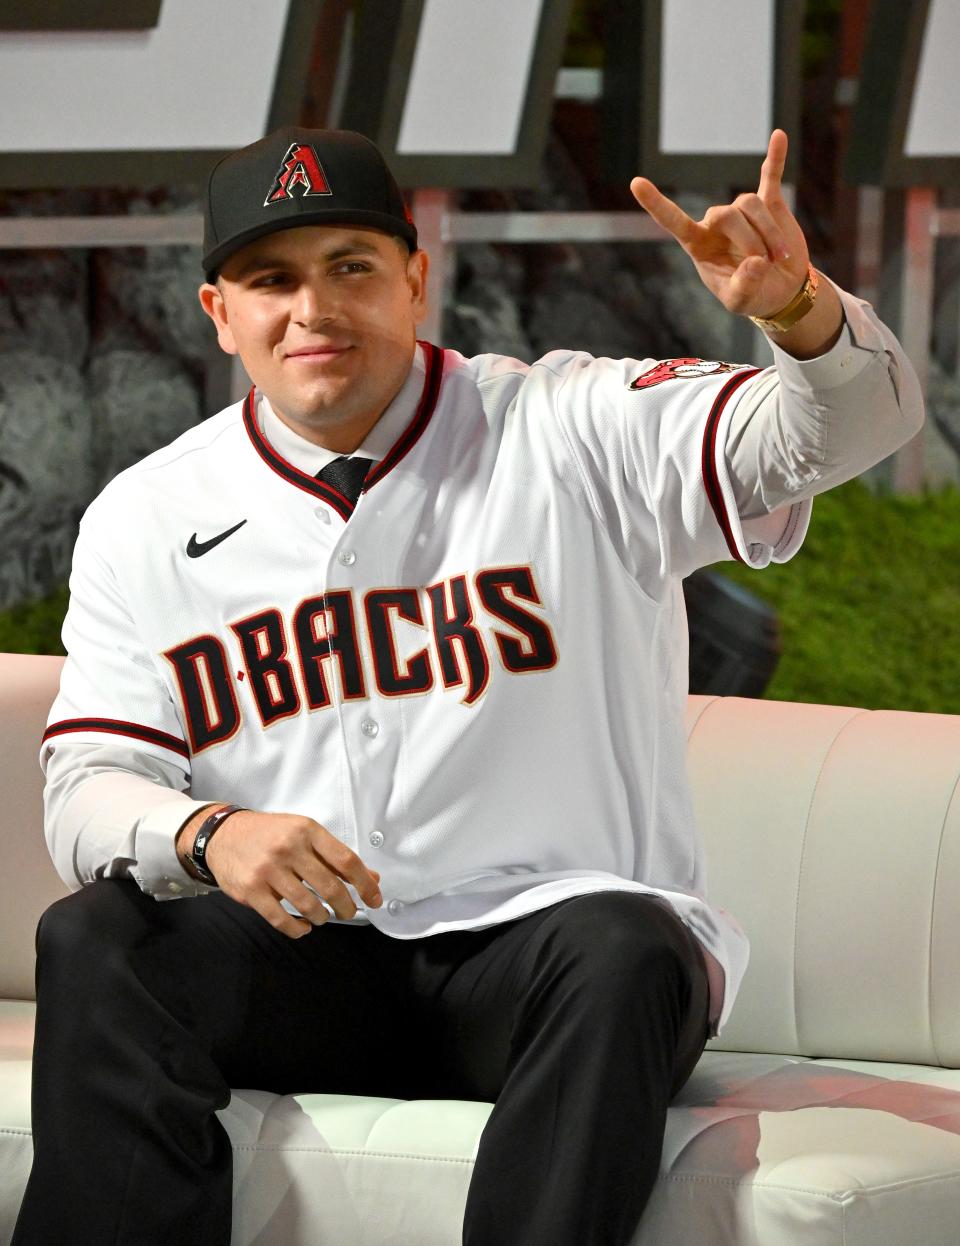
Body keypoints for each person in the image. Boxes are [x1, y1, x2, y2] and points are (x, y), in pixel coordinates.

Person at [12, 125, 922, 1246]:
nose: (313, 308)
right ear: (219, 312)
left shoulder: (573, 421)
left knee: (631, 945)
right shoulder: (148, 511)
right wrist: (208, 831)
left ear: (414, 275)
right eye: (271, 279)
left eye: (351, 265)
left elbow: (849, 425)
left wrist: (801, 317)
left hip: (548, 961)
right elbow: (89, 784)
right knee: (99, 936)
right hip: (311, 961)